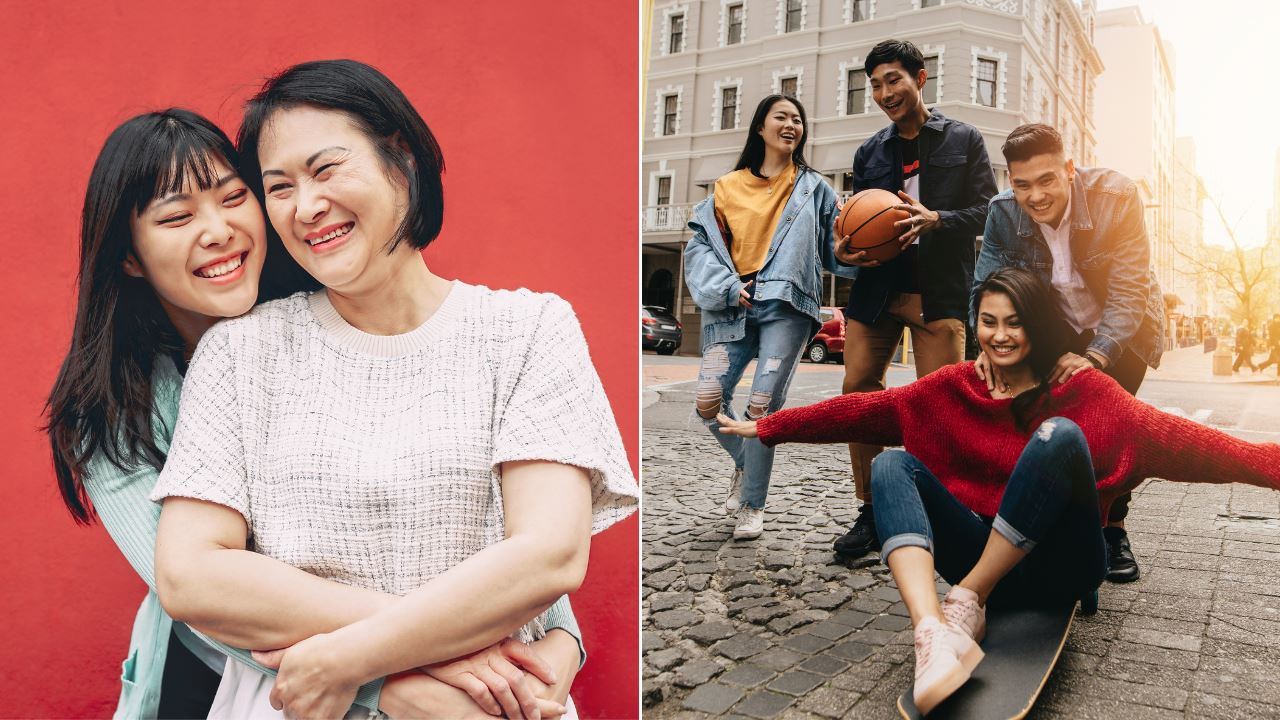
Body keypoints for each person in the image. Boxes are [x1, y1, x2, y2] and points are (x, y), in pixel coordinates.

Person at [44, 109, 596, 718]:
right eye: (176, 218)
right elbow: (200, 599)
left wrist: (558, 637)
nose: (218, 230)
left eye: (236, 198)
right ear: (129, 256)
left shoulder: (326, 314)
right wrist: (403, 671)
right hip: (227, 677)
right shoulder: (115, 411)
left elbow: (507, 522)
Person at [719, 267, 1280, 714]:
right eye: (988, 322)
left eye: (1015, 322)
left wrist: (1272, 464)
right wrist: (771, 426)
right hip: (982, 550)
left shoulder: (1084, 391)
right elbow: (866, 410)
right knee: (892, 467)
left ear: (1036, 326)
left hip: (1064, 564)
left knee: (1058, 436)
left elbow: (1192, 442)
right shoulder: (953, 389)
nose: (1001, 335)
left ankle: (967, 598)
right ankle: (932, 631)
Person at [974, 123, 1166, 584]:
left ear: (1070, 170)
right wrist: (982, 349)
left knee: (1109, 432)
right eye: (1022, 184)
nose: (1035, 196)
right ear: (1010, 179)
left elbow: (1128, 290)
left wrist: (1097, 355)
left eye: (1047, 180)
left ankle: (1112, 531)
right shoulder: (1002, 212)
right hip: (1057, 327)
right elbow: (986, 285)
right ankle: (1043, 525)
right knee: (1045, 425)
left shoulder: (1116, 196)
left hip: (1124, 328)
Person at [832, 39, 998, 561]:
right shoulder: (870, 151)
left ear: (919, 79)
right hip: (877, 291)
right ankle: (872, 509)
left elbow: (991, 211)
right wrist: (846, 249)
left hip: (940, 292)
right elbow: (862, 218)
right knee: (858, 394)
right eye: (876, 84)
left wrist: (938, 220)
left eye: (893, 80)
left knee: (937, 407)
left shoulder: (964, 139)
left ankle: (933, 508)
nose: (884, 93)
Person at [683, 94, 857, 540]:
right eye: (781, 117)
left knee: (761, 406)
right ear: (760, 127)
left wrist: (854, 251)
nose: (791, 125)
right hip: (732, 307)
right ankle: (747, 464)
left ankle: (752, 504)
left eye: (798, 119)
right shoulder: (725, 188)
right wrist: (725, 287)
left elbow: (833, 248)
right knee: (707, 400)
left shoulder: (814, 187)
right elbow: (701, 250)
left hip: (788, 305)